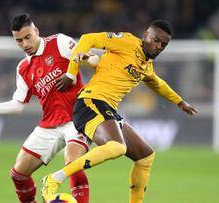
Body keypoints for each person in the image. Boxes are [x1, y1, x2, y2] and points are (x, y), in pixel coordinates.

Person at [41, 20, 198, 203]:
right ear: (145, 35)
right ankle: (54, 179)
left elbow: (157, 83)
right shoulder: (127, 42)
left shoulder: (146, 66)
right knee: (117, 147)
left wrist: (180, 102)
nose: (159, 46)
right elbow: (88, 38)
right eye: (156, 40)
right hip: (90, 102)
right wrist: (70, 73)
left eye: (164, 44)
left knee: (146, 156)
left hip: (108, 109)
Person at [0, 13, 99, 203]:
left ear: (36, 31)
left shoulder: (59, 42)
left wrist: (87, 59)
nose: (25, 44)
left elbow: (93, 61)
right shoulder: (23, 68)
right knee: (18, 174)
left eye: (27, 37)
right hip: (49, 124)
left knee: (72, 164)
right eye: (19, 41)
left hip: (77, 118)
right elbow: (17, 105)